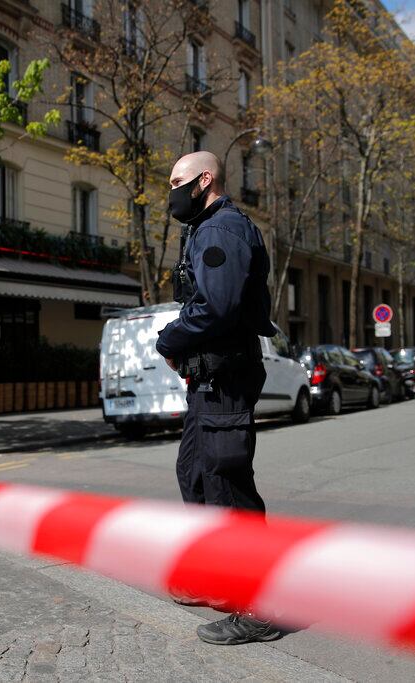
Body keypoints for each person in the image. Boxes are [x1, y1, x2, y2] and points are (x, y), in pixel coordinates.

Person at [155, 151, 279, 646]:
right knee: (196, 474)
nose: (171, 192)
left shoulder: (222, 230)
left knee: (228, 486)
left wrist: (169, 340)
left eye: (177, 181)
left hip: (225, 378)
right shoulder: (204, 229)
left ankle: (258, 606)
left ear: (204, 180)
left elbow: (216, 307)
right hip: (207, 380)